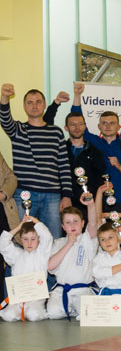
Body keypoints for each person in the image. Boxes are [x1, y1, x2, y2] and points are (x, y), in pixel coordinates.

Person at [1, 83, 72, 236]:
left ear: (45, 104)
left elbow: (64, 166)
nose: (34, 106)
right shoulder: (18, 130)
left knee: (54, 240)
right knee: (22, 240)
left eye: (38, 102)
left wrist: (66, 195)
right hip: (23, 194)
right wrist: (5, 97)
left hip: (52, 196)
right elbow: (5, 119)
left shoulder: (57, 132)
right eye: (30, 102)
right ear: (24, 106)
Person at [71, 83, 121, 215]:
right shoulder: (93, 142)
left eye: (112, 123)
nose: (108, 126)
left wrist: (120, 166)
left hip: (119, 201)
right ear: (99, 126)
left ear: (118, 127)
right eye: (104, 123)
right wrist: (77, 95)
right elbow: (76, 118)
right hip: (95, 201)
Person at [0, 216, 54, 321]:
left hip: (36, 298)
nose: (29, 243)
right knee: (9, 316)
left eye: (33, 239)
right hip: (18, 297)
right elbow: (3, 243)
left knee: (33, 315)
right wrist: (19, 227)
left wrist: (36, 221)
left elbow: (47, 237)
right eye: (25, 239)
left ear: (39, 239)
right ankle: (19, 311)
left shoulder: (42, 254)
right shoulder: (16, 255)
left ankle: (37, 311)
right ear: (20, 239)